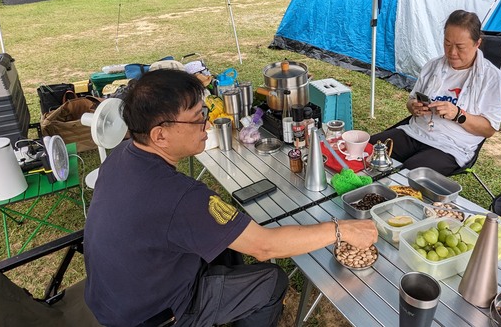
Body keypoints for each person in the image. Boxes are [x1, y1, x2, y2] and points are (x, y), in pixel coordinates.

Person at [84, 69, 377, 327]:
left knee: (229, 244)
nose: (208, 125)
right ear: (160, 135)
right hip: (157, 315)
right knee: (272, 280)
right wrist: (341, 229)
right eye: (198, 118)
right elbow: (265, 247)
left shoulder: (122, 155)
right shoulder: (181, 198)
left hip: (113, 298)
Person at [369, 10, 501, 176]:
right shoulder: (433, 66)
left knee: (408, 175)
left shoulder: (491, 77)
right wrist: (414, 107)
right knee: (367, 149)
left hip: (452, 146)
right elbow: (411, 101)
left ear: (477, 43)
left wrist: (458, 114)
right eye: (447, 44)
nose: (452, 52)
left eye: (460, 47)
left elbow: (489, 130)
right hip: (417, 132)